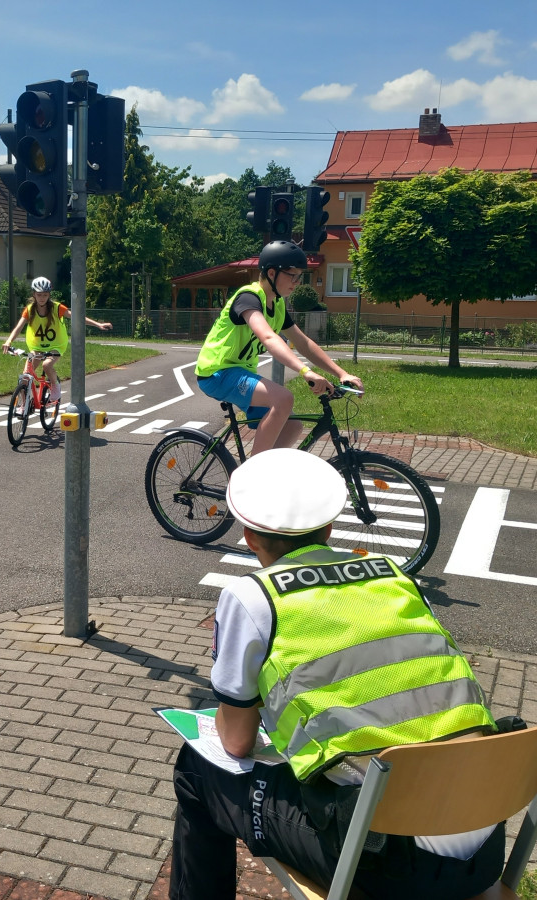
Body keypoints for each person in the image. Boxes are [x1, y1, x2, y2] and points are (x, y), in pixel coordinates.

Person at [171, 449, 505, 900]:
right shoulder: (392, 575)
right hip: (483, 847)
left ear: (249, 537)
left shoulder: (253, 597)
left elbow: (235, 743)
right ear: (329, 529)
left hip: (387, 859)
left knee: (197, 769)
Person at [196, 241, 363, 455]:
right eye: (292, 276)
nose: (297, 282)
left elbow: (304, 343)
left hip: (240, 373)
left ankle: (264, 473)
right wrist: (305, 371)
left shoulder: (278, 305)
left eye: (299, 277)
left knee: (293, 426)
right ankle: (249, 478)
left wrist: (341, 373)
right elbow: (268, 337)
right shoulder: (248, 298)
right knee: (283, 398)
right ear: (272, 273)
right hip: (217, 373)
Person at [1, 276, 112, 405]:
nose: (42, 298)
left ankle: (55, 385)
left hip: (56, 345)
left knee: (47, 365)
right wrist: (9, 341)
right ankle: (24, 405)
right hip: (37, 346)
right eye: (39, 295)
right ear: (34, 294)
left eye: (45, 295)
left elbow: (76, 317)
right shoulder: (30, 309)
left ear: (49, 295)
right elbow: (18, 327)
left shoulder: (56, 308)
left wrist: (98, 325)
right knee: (25, 376)